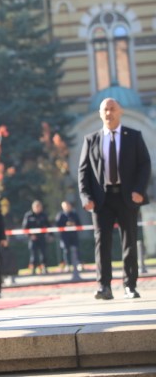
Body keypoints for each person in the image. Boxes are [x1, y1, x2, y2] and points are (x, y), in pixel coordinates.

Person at [78, 97, 151, 300]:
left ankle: (130, 285)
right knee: (102, 243)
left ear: (120, 112)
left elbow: (145, 165)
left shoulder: (133, 136)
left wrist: (139, 190)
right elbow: (83, 171)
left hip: (127, 198)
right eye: (105, 110)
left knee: (129, 242)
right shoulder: (91, 139)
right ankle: (104, 287)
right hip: (101, 200)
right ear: (100, 114)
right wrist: (86, 197)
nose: (109, 113)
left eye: (112, 109)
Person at [55, 201, 82, 281]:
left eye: (68, 205)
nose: (67, 207)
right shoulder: (60, 215)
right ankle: (67, 264)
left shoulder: (74, 214)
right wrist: (65, 225)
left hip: (74, 235)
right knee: (66, 251)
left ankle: (78, 264)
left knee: (76, 250)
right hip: (65, 236)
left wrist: (74, 224)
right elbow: (58, 225)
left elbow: (79, 224)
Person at [22, 200, 50, 275]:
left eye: (39, 207)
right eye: (36, 207)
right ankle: (33, 268)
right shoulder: (28, 215)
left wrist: (50, 235)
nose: (38, 208)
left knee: (43, 253)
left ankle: (44, 267)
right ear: (33, 207)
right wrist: (30, 236)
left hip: (42, 237)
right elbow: (25, 228)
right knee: (33, 254)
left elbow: (48, 225)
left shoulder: (44, 215)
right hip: (33, 238)